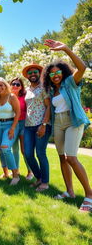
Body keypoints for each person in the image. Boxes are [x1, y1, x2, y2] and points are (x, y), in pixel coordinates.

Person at [42, 39, 92, 212]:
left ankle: (89, 195)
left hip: (73, 121)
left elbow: (83, 68)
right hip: (59, 123)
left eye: (58, 72)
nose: (55, 75)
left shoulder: (70, 83)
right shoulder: (51, 90)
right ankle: (70, 191)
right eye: (51, 73)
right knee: (62, 157)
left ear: (63, 72)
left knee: (71, 157)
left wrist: (66, 49)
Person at [22, 62, 51, 192]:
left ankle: (45, 182)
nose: (33, 74)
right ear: (27, 76)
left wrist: (44, 124)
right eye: (30, 73)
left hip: (41, 125)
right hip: (28, 126)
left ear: (39, 74)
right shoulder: (27, 90)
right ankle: (38, 178)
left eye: (35, 72)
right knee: (28, 154)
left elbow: (49, 106)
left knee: (40, 153)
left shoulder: (44, 88)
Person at [0, 77, 21, 185]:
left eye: (1, 85)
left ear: (5, 85)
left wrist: (13, 128)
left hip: (10, 124)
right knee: (0, 149)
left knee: (5, 147)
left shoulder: (11, 97)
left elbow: (18, 112)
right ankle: (5, 173)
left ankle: (15, 175)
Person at [10, 78, 33, 180]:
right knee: (14, 149)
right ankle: (16, 171)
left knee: (24, 150)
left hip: (23, 124)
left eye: (18, 84)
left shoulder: (25, 96)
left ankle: (30, 171)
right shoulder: (7, 97)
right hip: (12, 124)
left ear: (21, 86)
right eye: (13, 84)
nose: (15, 86)